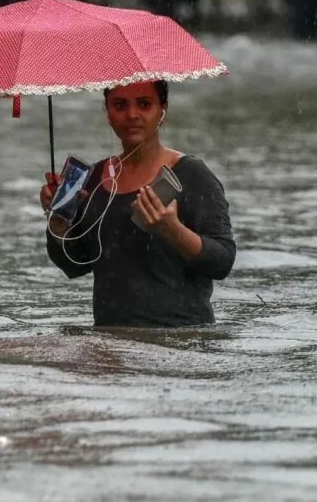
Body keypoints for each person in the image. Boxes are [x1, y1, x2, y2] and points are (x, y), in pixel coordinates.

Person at [39, 80, 236, 327]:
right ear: (107, 111)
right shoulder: (94, 178)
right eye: (120, 105)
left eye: (144, 104)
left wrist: (172, 230)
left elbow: (223, 262)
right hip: (111, 341)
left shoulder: (192, 175)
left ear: (163, 110)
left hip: (180, 339)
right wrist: (58, 225)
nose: (132, 115)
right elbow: (75, 265)